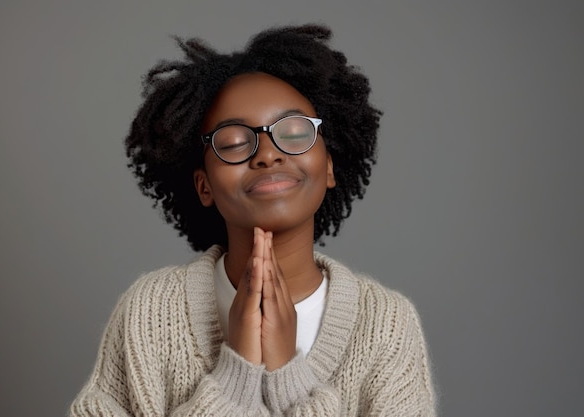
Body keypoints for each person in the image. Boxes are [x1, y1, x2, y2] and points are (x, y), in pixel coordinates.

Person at [70, 24, 436, 416]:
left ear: (329, 167)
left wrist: (286, 376)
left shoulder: (386, 324)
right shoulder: (150, 311)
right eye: (233, 142)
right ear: (204, 185)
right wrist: (235, 377)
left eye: (294, 133)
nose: (267, 154)